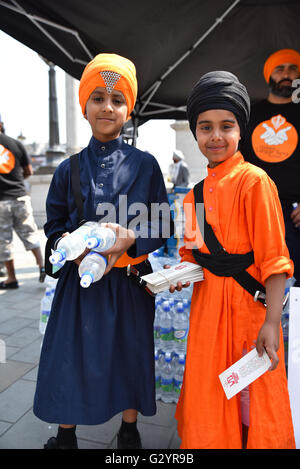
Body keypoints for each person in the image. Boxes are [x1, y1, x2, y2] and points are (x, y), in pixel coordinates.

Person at [33, 53, 173, 450]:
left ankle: (129, 431)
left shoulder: (146, 166)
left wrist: (131, 239)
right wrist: (65, 246)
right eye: (98, 97)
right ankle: (66, 436)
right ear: (85, 106)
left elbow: (162, 224)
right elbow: (54, 225)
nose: (107, 107)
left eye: (117, 99)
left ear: (129, 109)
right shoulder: (68, 169)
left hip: (130, 283)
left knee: (130, 355)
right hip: (82, 285)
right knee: (70, 358)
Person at [169, 71, 295, 448]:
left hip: (249, 315)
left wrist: (272, 322)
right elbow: (195, 258)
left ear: (241, 130)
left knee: (251, 408)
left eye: (226, 126)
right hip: (207, 316)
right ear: (196, 134)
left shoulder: (255, 181)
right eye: (205, 127)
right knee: (210, 400)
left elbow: (275, 261)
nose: (216, 136)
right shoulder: (193, 196)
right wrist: (177, 274)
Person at [240, 49, 300, 287]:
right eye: (280, 68)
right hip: (255, 209)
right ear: (269, 76)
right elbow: (235, 162)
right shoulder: (250, 114)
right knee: (254, 280)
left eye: (292, 68)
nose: (286, 73)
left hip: (294, 215)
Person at [0, 117, 45, 289]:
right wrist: (16, 181)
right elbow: (29, 171)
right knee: (30, 233)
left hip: (1, 200)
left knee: (4, 241)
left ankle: (11, 278)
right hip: (20, 196)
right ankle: (42, 266)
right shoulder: (16, 144)